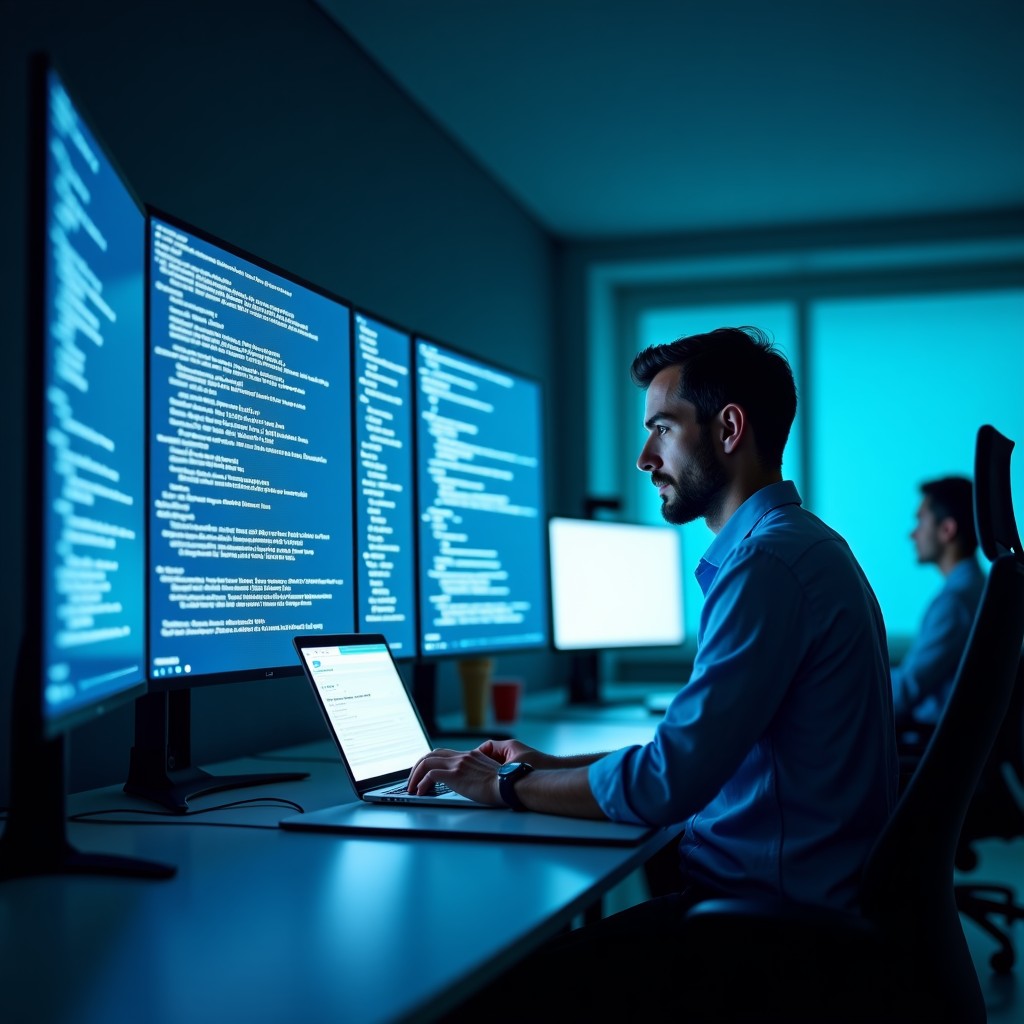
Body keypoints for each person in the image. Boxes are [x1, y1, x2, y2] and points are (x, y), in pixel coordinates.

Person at [408, 326, 898, 1016]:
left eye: (662, 429)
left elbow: (670, 781)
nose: (645, 458)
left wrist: (506, 786)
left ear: (728, 428)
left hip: (767, 933)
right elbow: (693, 754)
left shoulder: (765, 565)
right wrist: (548, 768)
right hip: (781, 903)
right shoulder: (800, 546)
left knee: (480, 990)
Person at [890, 476, 986, 732]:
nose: (913, 534)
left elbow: (905, 692)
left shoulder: (954, 603)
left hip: (927, 738)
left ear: (947, 530)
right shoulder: (978, 589)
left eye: (921, 521)